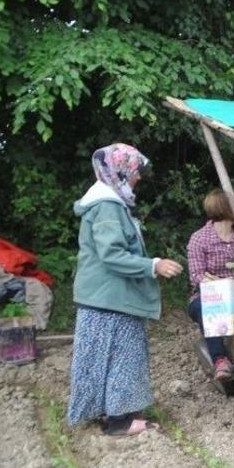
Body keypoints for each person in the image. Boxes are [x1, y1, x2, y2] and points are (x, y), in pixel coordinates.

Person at [67, 143, 183, 436]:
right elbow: (112, 255)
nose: (139, 177)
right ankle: (120, 421)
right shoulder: (108, 206)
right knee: (123, 357)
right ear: (119, 171)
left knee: (99, 359)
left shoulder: (108, 203)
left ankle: (108, 412)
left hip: (103, 297)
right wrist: (153, 265)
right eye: (135, 171)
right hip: (110, 298)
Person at [186, 189, 234, 380]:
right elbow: (197, 276)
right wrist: (224, 284)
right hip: (208, 295)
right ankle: (220, 359)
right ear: (226, 209)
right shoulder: (200, 239)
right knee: (207, 306)